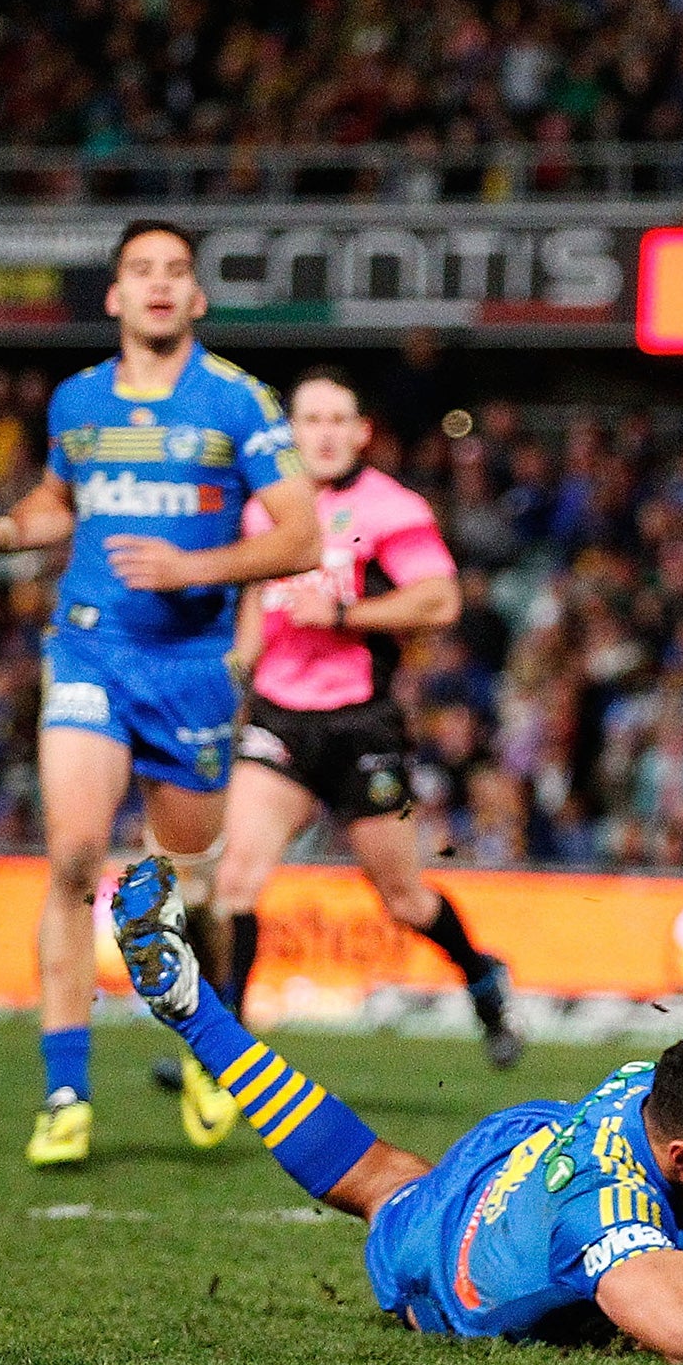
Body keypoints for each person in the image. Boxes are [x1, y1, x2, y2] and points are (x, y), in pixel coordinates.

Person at [110, 854, 683, 1360]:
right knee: (378, 1184)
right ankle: (193, 1009)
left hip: (526, 1150)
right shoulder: (610, 1219)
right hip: (444, 1263)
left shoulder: (658, 1090)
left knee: (379, 1178)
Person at [0, 220, 321, 1167]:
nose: (157, 285)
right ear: (113, 296)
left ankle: (209, 1040)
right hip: (91, 652)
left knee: (188, 889)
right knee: (72, 859)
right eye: (139, 271)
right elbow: (58, 504)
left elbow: (303, 536)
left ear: (196, 298)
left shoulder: (237, 401)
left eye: (175, 272)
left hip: (189, 670)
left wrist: (197, 566)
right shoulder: (76, 401)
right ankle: (65, 1091)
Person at [200, 366, 519, 1102]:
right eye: (311, 421)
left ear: (361, 432)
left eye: (339, 420)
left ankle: (480, 976)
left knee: (404, 900)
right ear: (291, 433)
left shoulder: (391, 508)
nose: (326, 434)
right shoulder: (266, 510)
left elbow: (438, 601)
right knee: (236, 880)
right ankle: (227, 1055)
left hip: (362, 725)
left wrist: (343, 618)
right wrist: (235, 669)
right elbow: (257, 602)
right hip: (279, 719)